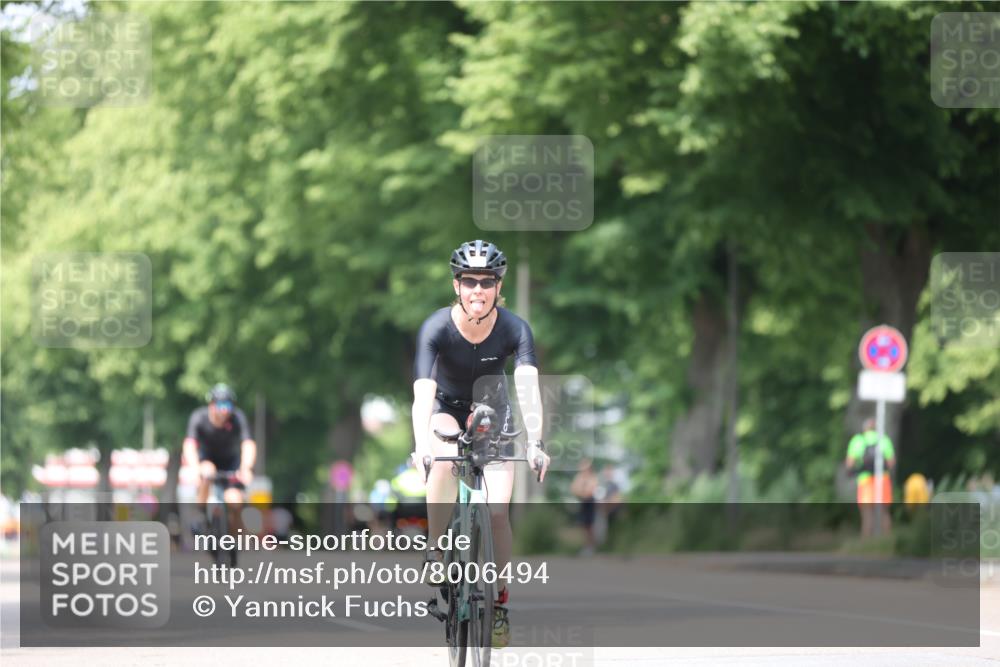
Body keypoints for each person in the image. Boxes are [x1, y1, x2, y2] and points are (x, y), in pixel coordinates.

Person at [412, 240, 551, 649]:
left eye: (486, 281)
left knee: (495, 512)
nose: (478, 290)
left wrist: (536, 441)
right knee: (443, 459)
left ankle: (500, 602)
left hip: (492, 411)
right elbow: (423, 392)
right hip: (446, 408)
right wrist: (422, 444)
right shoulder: (436, 327)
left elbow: (527, 388)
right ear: (456, 285)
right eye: (469, 281)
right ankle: (438, 553)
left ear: (497, 286)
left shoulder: (515, 328)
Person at [182, 383, 257, 533]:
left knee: (235, 501)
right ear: (211, 404)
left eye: (227, 406)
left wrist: (246, 467)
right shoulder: (199, 418)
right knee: (208, 471)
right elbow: (189, 445)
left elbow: (248, 444)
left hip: (231, 463)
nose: (224, 411)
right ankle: (201, 514)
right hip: (206, 459)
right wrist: (195, 468)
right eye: (220, 405)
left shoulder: (237, 417)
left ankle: (233, 538)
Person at [845, 417, 895, 537]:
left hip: (865, 481)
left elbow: (849, 464)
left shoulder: (858, 440)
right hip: (883, 479)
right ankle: (886, 542)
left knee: (867, 514)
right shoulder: (884, 439)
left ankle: (866, 544)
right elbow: (891, 463)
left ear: (864, 428)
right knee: (884, 512)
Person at [571, 459, 599, 555]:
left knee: (590, 526)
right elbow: (574, 489)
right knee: (584, 526)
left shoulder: (592, 477)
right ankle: (587, 546)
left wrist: (582, 490)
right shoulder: (579, 477)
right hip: (583, 502)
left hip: (590, 502)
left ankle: (591, 547)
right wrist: (583, 490)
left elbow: (590, 491)